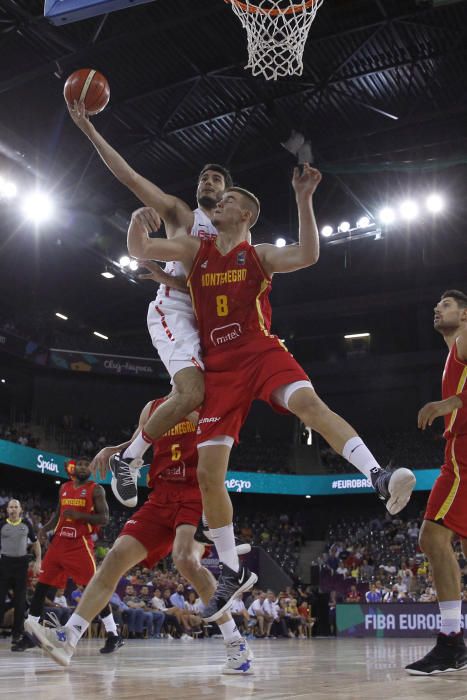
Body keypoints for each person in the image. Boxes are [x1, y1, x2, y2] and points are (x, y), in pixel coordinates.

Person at [125, 164, 416, 621]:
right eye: (218, 200)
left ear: (246, 215)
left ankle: (377, 475)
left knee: (309, 405)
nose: (219, 203)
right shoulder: (195, 250)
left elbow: (308, 255)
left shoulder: (257, 254)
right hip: (218, 371)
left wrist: (303, 199)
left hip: (258, 353)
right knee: (208, 474)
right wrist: (137, 226)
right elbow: (141, 249)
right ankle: (230, 568)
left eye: (230, 201)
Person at [67, 100, 232, 508]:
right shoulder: (180, 213)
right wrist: (89, 130)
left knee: (206, 411)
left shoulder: (236, 240)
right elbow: (131, 177)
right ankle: (130, 459)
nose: (208, 182)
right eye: (204, 178)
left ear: (231, 195)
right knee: (192, 393)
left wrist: (174, 275)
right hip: (174, 313)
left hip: (210, 328)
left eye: (215, 179)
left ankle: (218, 536)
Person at [25, 397, 253, 674]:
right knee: (115, 556)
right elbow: (139, 443)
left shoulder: (207, 399)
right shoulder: (153, 407)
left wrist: (192, 414)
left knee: (185, 559)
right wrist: (116, 449)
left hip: (197, 492)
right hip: (160, 496)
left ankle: (235, 643)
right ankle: (68, 637)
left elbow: (219, 438)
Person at [406, 289, 467, 675]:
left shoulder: (464, 339)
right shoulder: (453, 352)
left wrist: (451, 404)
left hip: (463, 453)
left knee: (432, 536)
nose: (437, 308)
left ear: (464, 313)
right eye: (437, 304)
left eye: (446, 305)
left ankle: (451, 641)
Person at [16, 458, 122, 655]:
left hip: (79, 545)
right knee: (41, 587)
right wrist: (45, 529)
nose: (82, 467)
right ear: (74, 468)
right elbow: (59, 514)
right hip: (59, 544)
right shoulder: (64, 487)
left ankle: (114, 634)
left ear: (90, 468)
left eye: (86, 464)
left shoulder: (96, 489)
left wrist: (80, 516)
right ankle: (29, 634)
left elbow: (105, 518)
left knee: (93, 590)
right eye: (79, 464)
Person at [0, 499, 41, 650]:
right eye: (10, 507)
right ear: (7, 510)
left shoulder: (26, 524)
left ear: (20, 510)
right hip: (4, 564)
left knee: (20, 602)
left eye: (16, 507)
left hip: (21, 565)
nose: (13, 509)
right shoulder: (2, 524)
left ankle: (16, 634)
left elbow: (35, 542)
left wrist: (38, 560)